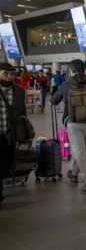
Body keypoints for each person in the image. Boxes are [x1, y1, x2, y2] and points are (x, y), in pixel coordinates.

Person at [50, 59, 86, 194]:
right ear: (84, 69)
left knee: (79, 151)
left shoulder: (67, 84)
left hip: (73, 122)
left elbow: (53, 100)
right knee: (81, 150)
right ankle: (73, 172)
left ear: (71, 70)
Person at [0, 63, 26, 203]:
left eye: (12, 74)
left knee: (4, 164)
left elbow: (22, 114)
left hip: (8, 136)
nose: (10, 76)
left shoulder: (19, 91)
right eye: (6, 73)